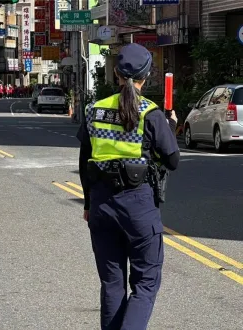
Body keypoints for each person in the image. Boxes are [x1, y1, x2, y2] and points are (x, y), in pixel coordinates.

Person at [78, 43, 180, 330]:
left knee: (111, 284)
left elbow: (85, 160)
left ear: (116, 73)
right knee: (146, 282)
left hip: (101, 204)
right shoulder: (151, 113)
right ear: (146, 77)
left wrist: (87, 204)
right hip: (138, 205)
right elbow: (172, 160)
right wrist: (171, 127)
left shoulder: (94, 110)